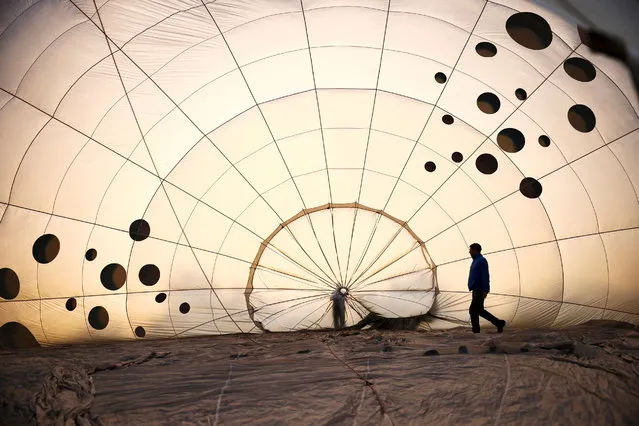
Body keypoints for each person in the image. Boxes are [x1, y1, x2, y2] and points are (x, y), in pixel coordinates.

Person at [468, 243, 506, 333]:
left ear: (475, 250)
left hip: (479, 289)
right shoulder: (476, 260)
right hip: (475, 289)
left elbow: (485, 276)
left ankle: (476, 331)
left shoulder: (481, 260)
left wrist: (485, 290)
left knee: (473, 310)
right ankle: (498, 323)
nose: (469, 252)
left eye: (471, 250)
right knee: (479, 311)